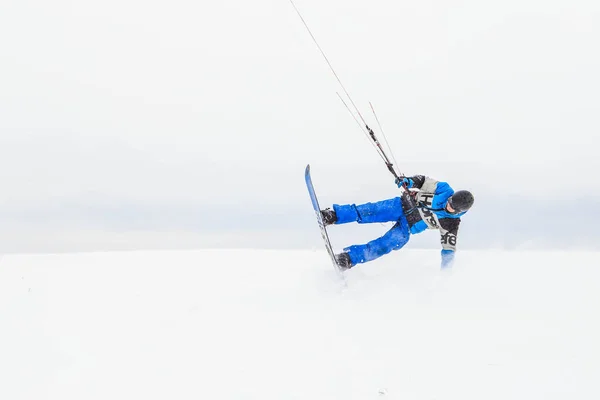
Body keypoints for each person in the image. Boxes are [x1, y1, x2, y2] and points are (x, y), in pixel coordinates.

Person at [320, 174, 474, 270]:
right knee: (369, 211)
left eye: (452, 207)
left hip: (407, 227)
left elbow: (448, 250)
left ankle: (349, 258)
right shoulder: (445, 190)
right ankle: (333, 216)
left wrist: (445, 276)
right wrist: (409, 181)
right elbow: (423, 181)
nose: (448, 205)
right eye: (449, 201)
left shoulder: (451, 224)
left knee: (387, 244)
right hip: (401, 205)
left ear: (459, 211)